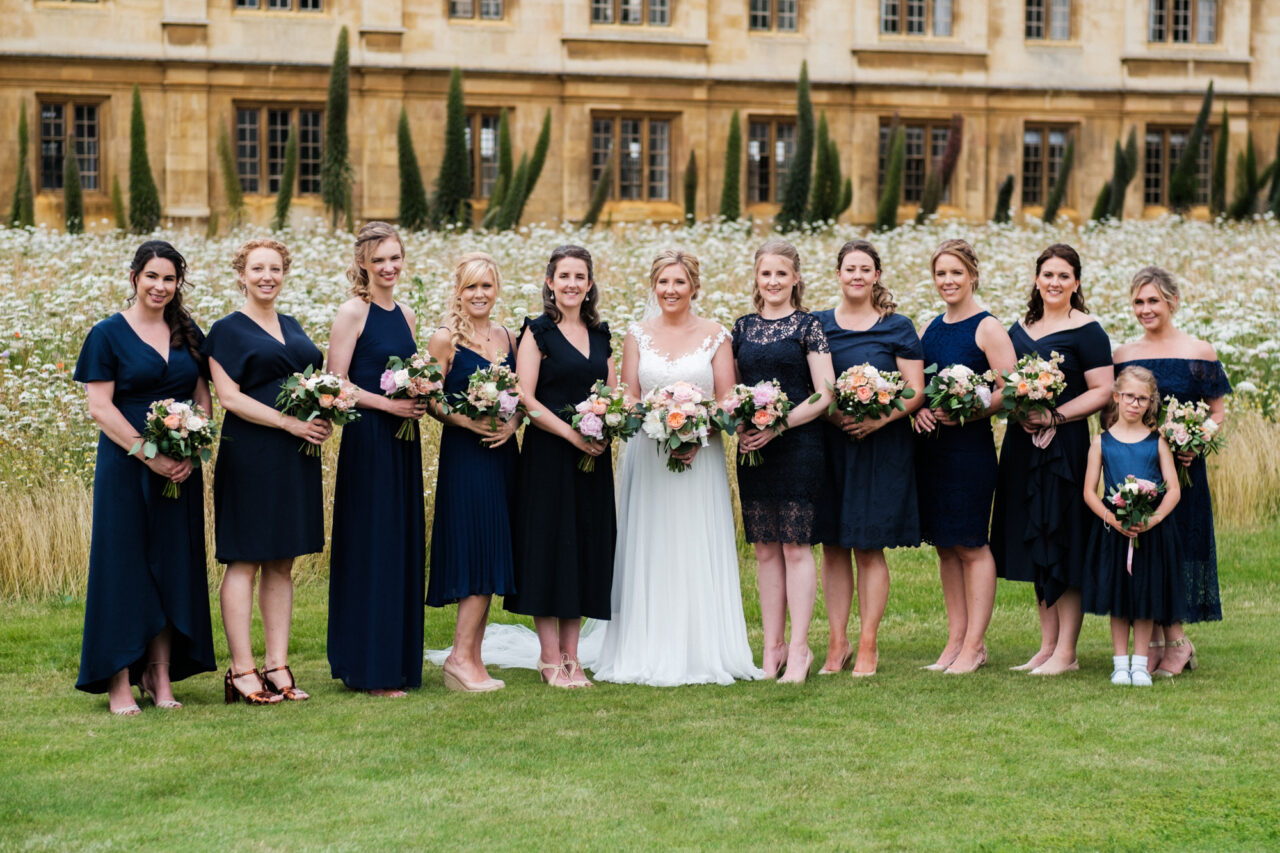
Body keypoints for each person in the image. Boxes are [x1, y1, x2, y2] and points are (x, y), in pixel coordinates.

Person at [593, 250, 763, 686]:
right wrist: (656, 423)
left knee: (692, 543)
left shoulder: (715, 335)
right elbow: (628, 396)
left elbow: (727, 398)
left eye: (679, 282)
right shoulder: (637, 334)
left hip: (700, 458)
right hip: (648, 457)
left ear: (694, 287)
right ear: (655, 286)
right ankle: (644, 646)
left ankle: (702, 648)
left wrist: (695, 433)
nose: (670, 290)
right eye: (663, 282)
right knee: (650, 545)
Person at [73, 241, 216, 715]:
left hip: (180, 468)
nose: (160, 286)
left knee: (172, 566)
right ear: (134, 276)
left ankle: (159, 676)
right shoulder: (107, 334)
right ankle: (118, 677)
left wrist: (193, 449)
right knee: (125, 568)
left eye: (169, 279)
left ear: (179, 284)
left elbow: (201, 394)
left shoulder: (185, 330)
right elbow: (99, 406)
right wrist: (146, 453)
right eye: (152, 276)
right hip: (125, 467)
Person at [205, 239, 332, 705]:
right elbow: (230, 398)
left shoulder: (292, 325)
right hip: (251, 452)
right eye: (257, 268)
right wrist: (289, 422)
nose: (267, 276)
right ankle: (241, 670)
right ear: (242, 274)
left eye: (275, 268)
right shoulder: (224, 331)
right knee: (245, 558)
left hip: (296, 456)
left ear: (284, 274)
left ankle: (277, 665)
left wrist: (323, 414)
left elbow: (308, 382)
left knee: (283, 560)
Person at [991, 244, 1113, 676]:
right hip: (1023, 444)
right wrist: (1021, 410)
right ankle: (1045, 647)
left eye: (1064, 276)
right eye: (1048, 275)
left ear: (1076, 283)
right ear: (1036, 279)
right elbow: (1005, 381)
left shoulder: (1088, 330)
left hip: (1066, 447)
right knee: (1036, 537)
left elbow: (1103, 390)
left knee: (1064, 538)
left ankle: (1067, 651)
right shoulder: (1020, 327)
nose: (1055, 282)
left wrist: (1056, 415)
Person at [506, 245, 617, 688]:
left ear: (589, 284)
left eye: (580, 276)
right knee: (549, 549)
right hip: (549, 455)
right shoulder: (537, 332)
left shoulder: (601, 333)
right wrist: (573, 435)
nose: (572, 284)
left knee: (585, 549)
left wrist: (607, 427)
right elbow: (525, 398)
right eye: (563, 276)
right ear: (550, 282)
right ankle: (549, 656)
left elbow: (614, 392)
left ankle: (574, 657)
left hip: (594, 457)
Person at [814, 240, 924, 678]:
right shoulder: (819, 325)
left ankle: (868, 644)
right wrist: (838, 417)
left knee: (868, 545)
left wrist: (878, 420)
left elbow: (914, 390)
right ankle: (836, 642)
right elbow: (815, 381)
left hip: (882, 447)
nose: (857, 275)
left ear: (877, 275)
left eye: (865, 268)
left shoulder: (898, 326)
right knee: (833, 546)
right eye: (849, 268)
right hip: (832, 443)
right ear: (838, 274)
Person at [327, 223, 427, 697]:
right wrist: (389, 405)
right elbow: (335, 383)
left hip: (404, 440)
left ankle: (400, 662)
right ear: (364, 263)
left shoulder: (405, 313)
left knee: (400, 543)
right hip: (370, 440)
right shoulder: (353, 311)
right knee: (374, 545)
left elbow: (409, 372)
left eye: (395, 258)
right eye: (379, 260)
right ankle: (369, 667)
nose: (389, 267)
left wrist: (420, 391)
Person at [1113, 266, 1228, 677]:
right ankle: (1161, 643)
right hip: (1137, 471)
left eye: (1153, 301)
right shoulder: (1123, 354)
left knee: (1177, 550)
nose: (1145, 309)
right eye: (1139, 302)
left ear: (1172, 302)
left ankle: (1177, 644)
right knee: (1147, 552)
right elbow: (1117, 408)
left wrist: (1193, 441)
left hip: (1184, 472)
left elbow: (1217, 410)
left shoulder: (1200, 352)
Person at [731, 239, 835, 684]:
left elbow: (825, 393)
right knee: (764, 548)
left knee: (795, 546)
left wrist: (780, 425)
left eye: (781, 274)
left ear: (795, 278)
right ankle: (770, 647)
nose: (772, 282)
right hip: (753, 449)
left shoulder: (808, 326)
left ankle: (799, 649)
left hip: (799, 445)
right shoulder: (742, 327)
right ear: (756, 278)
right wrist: (739, 423)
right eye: (765, 274)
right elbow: (733, 388)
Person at [913, 240, 1016, 674]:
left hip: (969, 450)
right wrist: (916, 409)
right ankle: (954, 639)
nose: (948, 281)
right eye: (941, 274)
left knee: (971, 544)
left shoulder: (987, 327)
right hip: (932, 450)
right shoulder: (931, 327)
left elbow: (1010, 389)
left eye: (956, 272)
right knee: (945, 547)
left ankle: (975, 644)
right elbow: (915, 383)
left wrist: (972, 410)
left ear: (973, 274)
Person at [426, 252, 519, 692]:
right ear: (458, 291)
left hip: (504, 454)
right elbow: (430, 398)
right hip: (467, 454)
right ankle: (459, 657)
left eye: (486, 286)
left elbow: (523, 395)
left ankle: (474, 659)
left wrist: (514, 423)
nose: (479, 294)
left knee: (494, 549)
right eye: (471, 287)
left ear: (496, 288)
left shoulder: (507, 336)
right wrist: (467, 420)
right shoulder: (446, 339)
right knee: (476, 550)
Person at [1081, 366, 1184, 686]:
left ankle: (1140, 663)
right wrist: (1111, 518)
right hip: (1115, 529)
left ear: (1150, 403)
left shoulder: (1158, 442)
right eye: (1129, 397)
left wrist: (1153, 519)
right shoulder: (1101, 442)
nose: (1135, 404)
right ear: (1116, 397)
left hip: (1150, 531)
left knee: (1145, 594)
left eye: (1142, 399)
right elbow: (1088, 491)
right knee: (1118, 595)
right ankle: (1119, 663)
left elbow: (1174, 488)